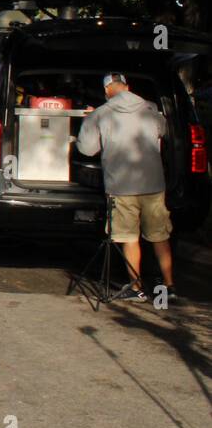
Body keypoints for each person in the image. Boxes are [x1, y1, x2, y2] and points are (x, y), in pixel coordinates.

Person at [77, 73, 174, 301]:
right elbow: (163, 131)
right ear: (128, 87)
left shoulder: (100, 114)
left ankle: (136, 287)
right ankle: (170, 286)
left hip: (121, 186)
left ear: (106, 91)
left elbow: (86, 149)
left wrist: (88, 122)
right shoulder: (150, 109)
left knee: (130, 237)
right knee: (160, 236)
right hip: (153, 185)